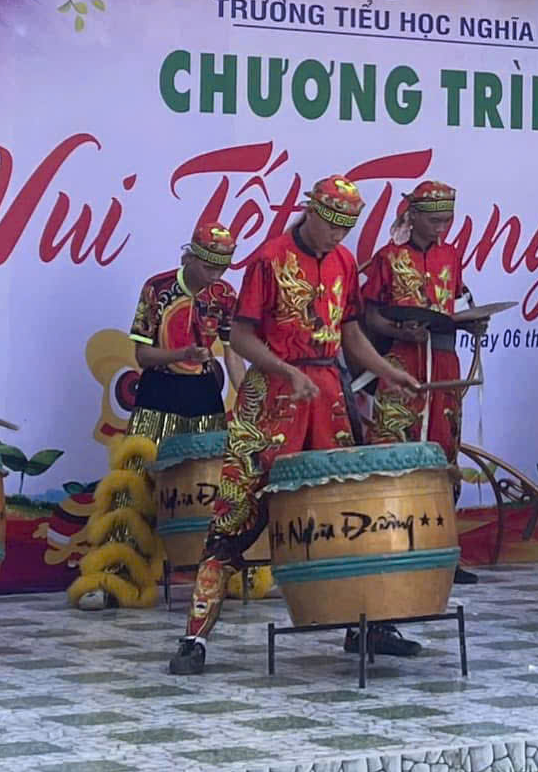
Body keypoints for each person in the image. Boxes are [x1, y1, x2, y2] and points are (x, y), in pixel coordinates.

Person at [169, 176, 422, 675]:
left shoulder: (344, 261)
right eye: (331, 226)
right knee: (235, 516)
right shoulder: (270, 259)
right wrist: (285, 371)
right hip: (271, 397)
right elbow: (242, 338)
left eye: (346, 228)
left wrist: (388, 370)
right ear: (312, 214)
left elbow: (350, 334)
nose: (337, 236)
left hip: (326, 395)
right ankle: (194, 638)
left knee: (350, 511)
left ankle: (367, 626)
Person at [361, 179, 480, 583]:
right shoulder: (388, 258)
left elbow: (454, 308)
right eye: (434, 220)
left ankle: (443, 550)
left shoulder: (451, 255)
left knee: (445, 447)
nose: (441, 228)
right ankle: (388, 545)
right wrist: (399, 331)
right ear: (412, 216)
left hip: (444, 360)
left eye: (447, 220)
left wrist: (472, 324)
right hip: (402, 358)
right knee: (394, 443)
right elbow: (370, 317)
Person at [127, 221, 241, 444]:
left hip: (204, 389)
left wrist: (248, 397)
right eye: (208, 268)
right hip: (158, 388)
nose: (215, 276)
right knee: (142, 460)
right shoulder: (157, 288)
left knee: (208, 460)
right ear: (190, 258)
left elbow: (233, 354)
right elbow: (142, 356)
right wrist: (183, 354)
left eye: (222, 269)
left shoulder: (224, 295)